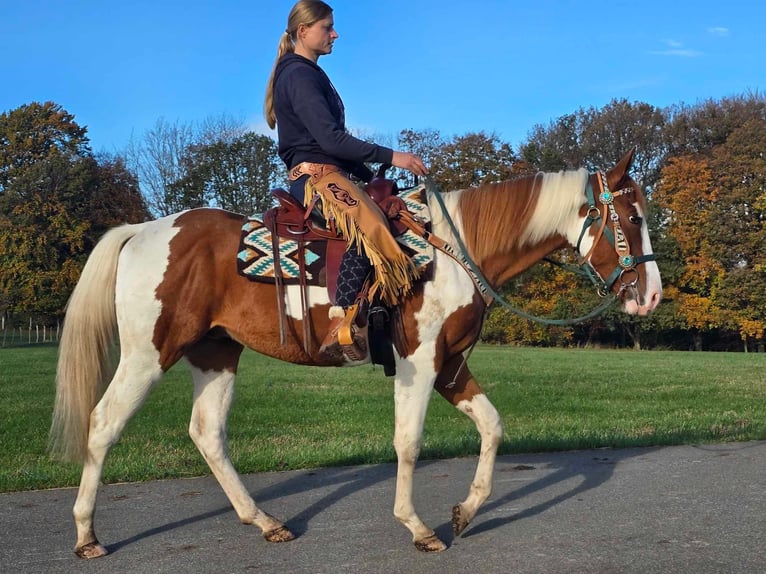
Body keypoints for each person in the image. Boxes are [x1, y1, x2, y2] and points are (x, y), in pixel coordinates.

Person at [264, 0, 428, 361]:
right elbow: (330, 141)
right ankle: (342, 324)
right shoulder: (298, 74)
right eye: (327, 27)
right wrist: (392, 156)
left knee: (385, 209)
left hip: (332, 172)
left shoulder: (308, 72)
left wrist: (373, 177)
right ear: (303, 32)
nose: (335, 34)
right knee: (368, 224)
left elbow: (333, 146)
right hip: (316, 180)